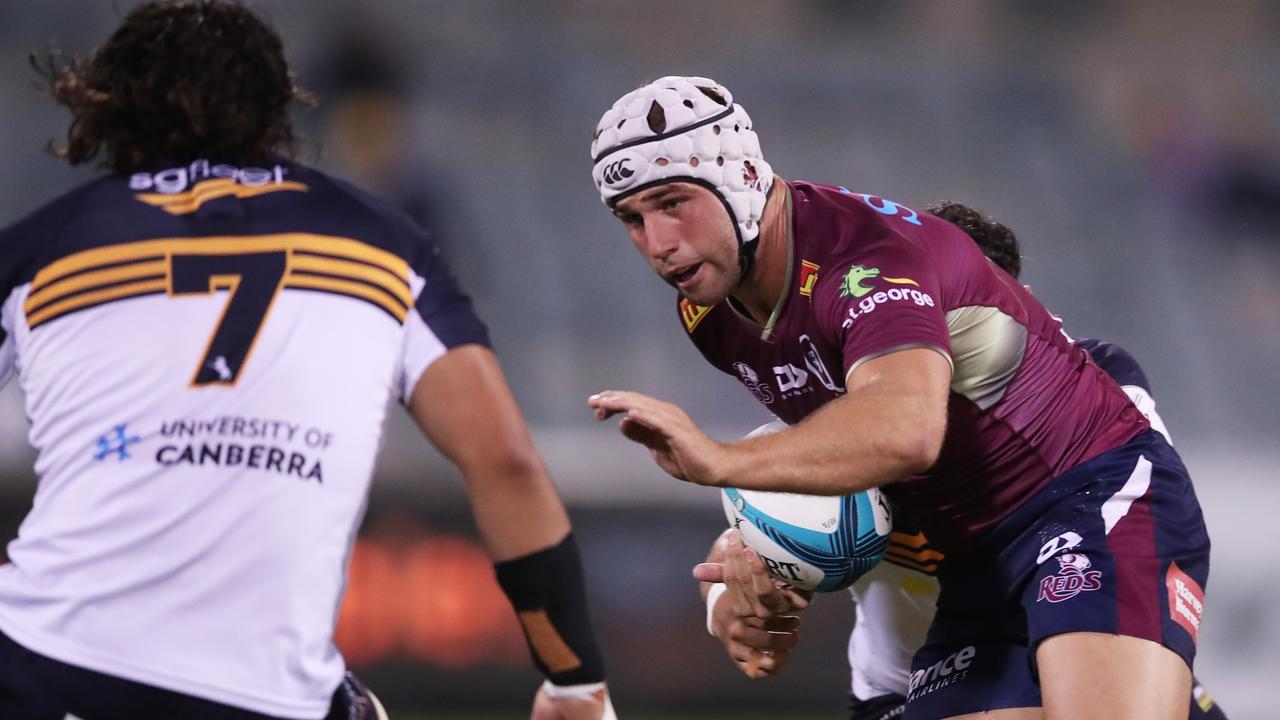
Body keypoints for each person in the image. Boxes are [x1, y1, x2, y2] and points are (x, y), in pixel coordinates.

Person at [0, 2, 614, 719]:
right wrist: (575, 680)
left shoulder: (42, 246)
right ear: (276, 109)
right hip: (265, 699)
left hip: (45, 668)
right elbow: (505, 460)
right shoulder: (385, 243)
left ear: (110, 107)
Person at [587, 76, 1211, 720]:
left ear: (742, 174)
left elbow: (904, 434)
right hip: (975, 568)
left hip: (1080, 501)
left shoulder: (867, 258)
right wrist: (737, 580)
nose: (657, 244)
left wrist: (716, 462)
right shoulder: (710, 314)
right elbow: (834, 473)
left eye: (671, 203)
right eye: (632, 219)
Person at [698, 203, 1229, 720]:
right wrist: (730, 594)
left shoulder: (1093, 391)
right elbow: (749, 532)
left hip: (1077, 631)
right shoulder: (848, 425)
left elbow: (1134, 531)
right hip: (911, 683)